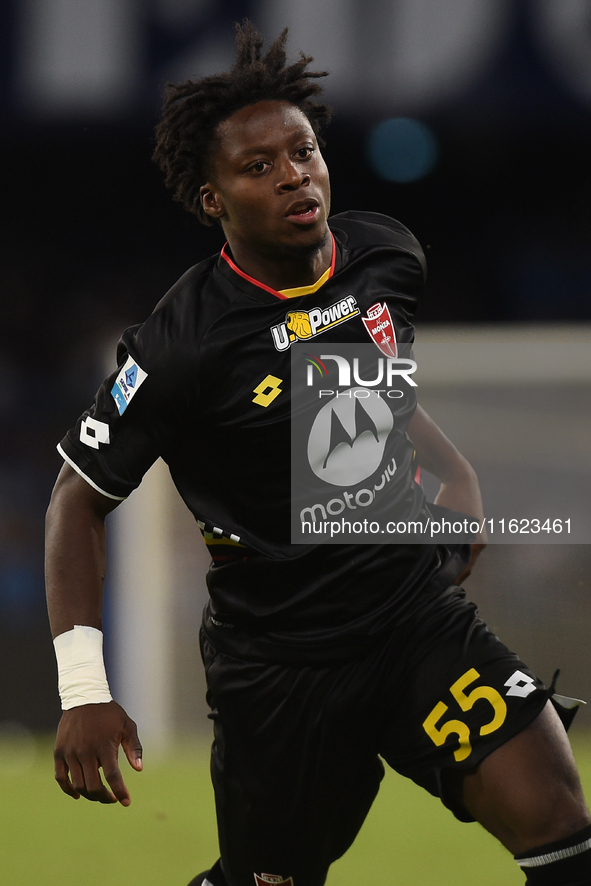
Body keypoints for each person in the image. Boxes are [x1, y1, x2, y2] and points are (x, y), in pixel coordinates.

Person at [45, 21, 590, 886]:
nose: (294, 174)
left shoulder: (382, 256)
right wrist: (83, 690)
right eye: (257, 167)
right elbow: (76, 500)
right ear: (211, 198)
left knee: (563, 831)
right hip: (280, 668)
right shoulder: (181, 345)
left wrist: (460, 481)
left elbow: (365, 390)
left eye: (301, 151)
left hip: (414, 625)